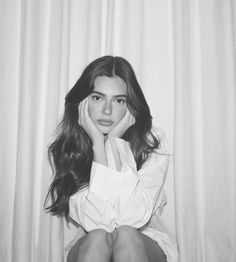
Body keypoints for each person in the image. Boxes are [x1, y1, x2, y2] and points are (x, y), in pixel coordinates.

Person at [45, 56, 178, 262]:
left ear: (130, 106)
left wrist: (115, 145)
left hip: (143, 238)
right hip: (91, 240)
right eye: (97, 98)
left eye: (119, 100)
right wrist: (98, 146)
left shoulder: (151, 142)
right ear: (82, 103)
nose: (107, 111)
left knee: (125, 234)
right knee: (98, 237)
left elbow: (130, 220)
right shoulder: (71, 147)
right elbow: (100, 223)